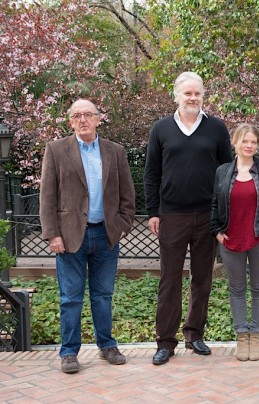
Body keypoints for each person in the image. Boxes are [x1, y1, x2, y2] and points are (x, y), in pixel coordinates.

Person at [40, 98, 136, 374]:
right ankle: (69, 353)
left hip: (105, 235)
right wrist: (52, 235)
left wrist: (121, 226)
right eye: (77, 116)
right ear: (70, 121)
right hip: (69, 238)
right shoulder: (57, 150)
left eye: (88, 115)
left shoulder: (114, 151)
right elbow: (47, 197)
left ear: (98, 119)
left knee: (103, 295)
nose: (83, 120)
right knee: (70, 297)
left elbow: (128, 195)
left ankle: (107, 345)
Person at [144, 71, 233, 366]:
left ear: (203, 96)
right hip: (172, 215)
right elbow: (151, 173)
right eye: (187, 93)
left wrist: (221, 213)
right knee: (170, 279)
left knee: (202, 278)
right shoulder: (161, 129)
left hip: (207, 215)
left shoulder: (217, 128)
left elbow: (225, 173)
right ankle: (165, 341)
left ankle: (194, 334)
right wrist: (153, 211)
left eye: (197, 94)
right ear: (176, 96)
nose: (193, 98)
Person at [210, 123, 259, 361]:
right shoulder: (223, 171)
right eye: (245, 141)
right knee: (237, 289)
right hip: (230, 240)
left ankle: (256, 335)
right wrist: (216, 230)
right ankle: (242, 336)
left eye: (253, 142)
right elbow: (215, 204)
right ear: (235, 142)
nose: (249, 146)